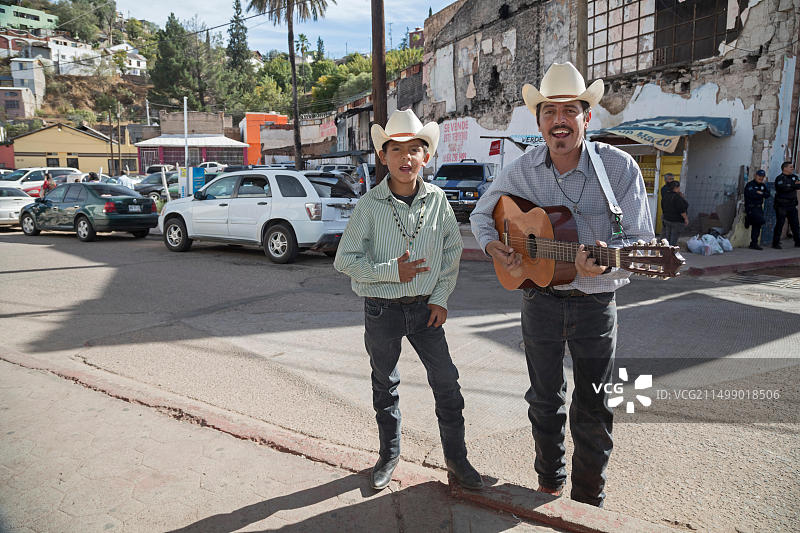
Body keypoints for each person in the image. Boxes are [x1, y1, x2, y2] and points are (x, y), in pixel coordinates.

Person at [470, 62, 654, 507]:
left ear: (586, 117)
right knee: (544, 401)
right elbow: (481, 215)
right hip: (540, 301)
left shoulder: (619, 168)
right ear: (538, 121)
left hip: (596, 306)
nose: (559, 121)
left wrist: (604, 266)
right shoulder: (522, 169)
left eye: (569, 110)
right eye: (549, 111)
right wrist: (497, 248)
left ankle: (588, 500)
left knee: (594, 407)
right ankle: (549, 483)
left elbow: (643, 244)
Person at [334, 109, 483, 492]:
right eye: (395, 149)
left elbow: (451, 252)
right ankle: (388, 455)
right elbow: (344, 260)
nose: (405, 158)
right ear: (383, 156)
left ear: (426, 156)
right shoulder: (369, 205)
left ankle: (457, 460)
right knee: (385, 384)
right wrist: (390, 271)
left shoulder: (438, 201)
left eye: (413, 149)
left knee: (447, 382)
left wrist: (441, 299)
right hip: (381, 309)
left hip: (425, 309)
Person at [772, 161, 800, 249]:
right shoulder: (780, 178)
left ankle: (798, 242)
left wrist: (791, 185)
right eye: (791, 167)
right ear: (785, 168)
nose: (792, 168)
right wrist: (793, 185)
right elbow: (783, 188)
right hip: (781, 205)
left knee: (795, 224)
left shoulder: (794, 177)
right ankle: (775, 243)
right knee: (780, 224)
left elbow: (798, 186)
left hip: (792, 205)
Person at [744, 169, 770, 250]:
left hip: (759, 207)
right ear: (755, 176)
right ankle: (748, 219)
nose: (761, 178)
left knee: (757, 225)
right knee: (761, 220)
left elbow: (767, 194)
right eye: (759, 176)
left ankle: (753, 243)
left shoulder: (763, 186)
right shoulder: (750, 185)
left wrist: (760, 193)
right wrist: (759, 194)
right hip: (751, 207)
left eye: (762, 176)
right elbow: (752, 195)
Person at [660, 180, 688, 246]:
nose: (679, 189)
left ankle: (665, 252)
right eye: (678, 187)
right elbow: (682, 210)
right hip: (676, 221)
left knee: (667, 237)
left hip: (667, 219)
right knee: (673, 239)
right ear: (675, 188)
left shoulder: (665, 195)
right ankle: (671, 253)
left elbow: (663, 206)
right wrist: (686, 219)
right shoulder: (677, 197)